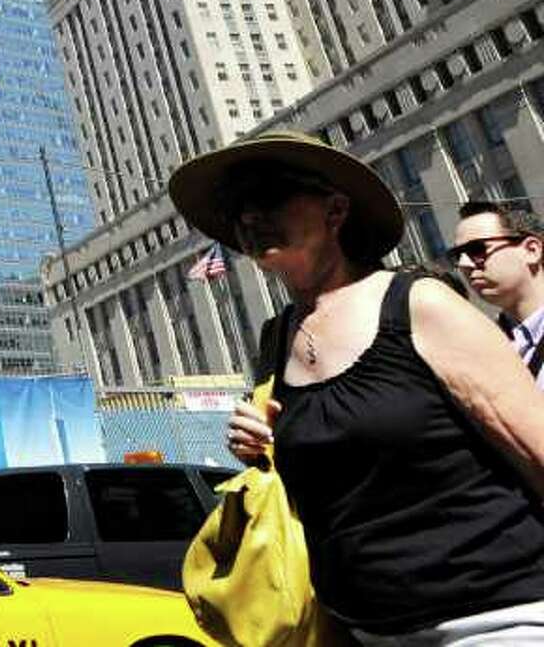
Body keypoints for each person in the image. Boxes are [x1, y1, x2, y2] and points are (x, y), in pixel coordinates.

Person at [173, 131, 544, 643]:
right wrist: (260, 448)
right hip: (359, 629)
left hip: (495, 619)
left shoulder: (418, 304)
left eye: (269, 195)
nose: (250, 216)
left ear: (335, 210)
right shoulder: (275, 340)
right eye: (236, 208)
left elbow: (536, 449)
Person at [449, 200, 544, 388]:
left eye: (476, 249)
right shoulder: (481, 349)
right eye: (457, 255)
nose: (464, 264)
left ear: (531, 250)